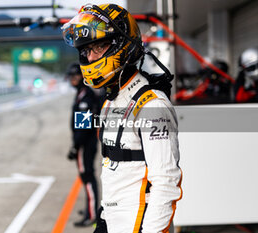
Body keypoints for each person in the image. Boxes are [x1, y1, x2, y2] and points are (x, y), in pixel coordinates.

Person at [62, 4, 182, 233]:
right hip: (113, 220)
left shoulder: (152, 105)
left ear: (121, 46)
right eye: (87, 50)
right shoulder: (111, 100)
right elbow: (115, 170)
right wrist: (104, 218)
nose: (91, 56)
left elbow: (166, 182)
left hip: (141, 226)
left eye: (99, 46)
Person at [66, 63, 99, 227]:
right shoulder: (82, 93)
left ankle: (91, 215)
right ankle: (90, 208)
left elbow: (83, 126)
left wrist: (75, 146)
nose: (73, 79)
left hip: (85, 143)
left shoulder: (85, 96)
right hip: (86, 142)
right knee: (87, 176)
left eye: (76, 76)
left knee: (87, 176)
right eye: (71, 76)